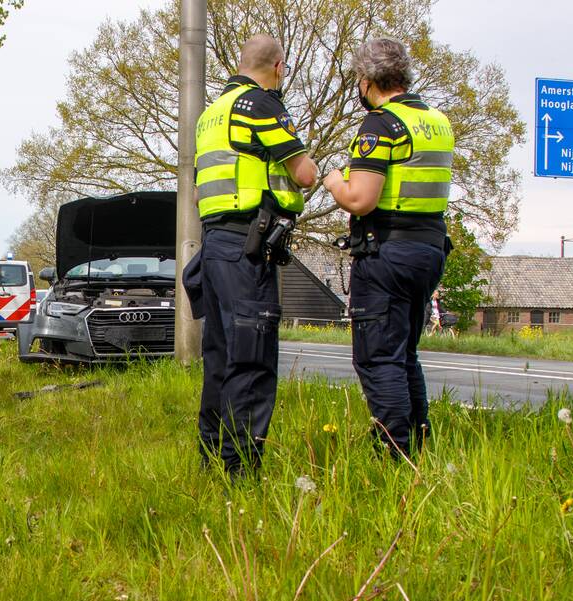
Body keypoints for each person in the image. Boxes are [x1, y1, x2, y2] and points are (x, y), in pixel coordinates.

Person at [183, 34, 318, 478]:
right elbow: (306, 174)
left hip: (217, 246)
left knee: (220, 358)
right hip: (248, 248)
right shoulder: (261, 105)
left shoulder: (211, 115)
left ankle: (211, 461)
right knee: (253, 359)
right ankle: (241, 472)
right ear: (279, 67)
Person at [322, 37, 454, 457]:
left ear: (366, 80)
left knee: (378, 358)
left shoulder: (382, 124)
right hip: (428, 248)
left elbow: (361, 198)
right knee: (403, 354)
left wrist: (333, 182)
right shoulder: (436, 120)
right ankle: (417, 440)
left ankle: (394, 452)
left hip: (387, 252)